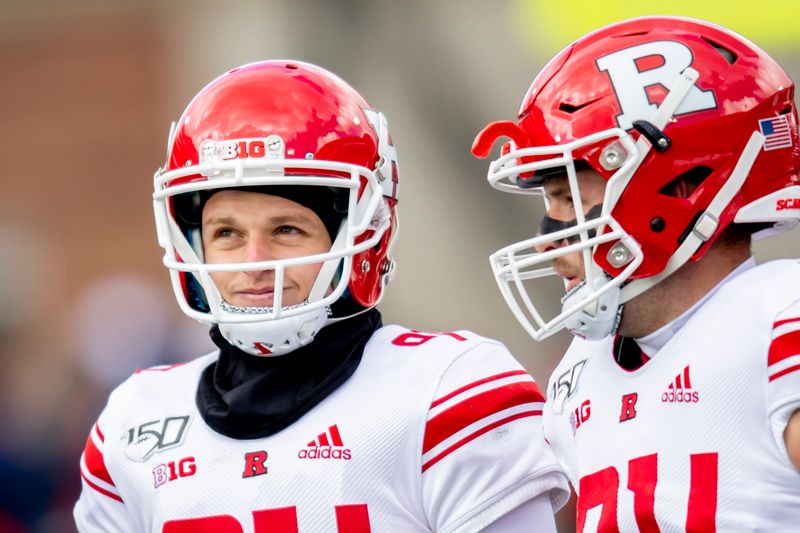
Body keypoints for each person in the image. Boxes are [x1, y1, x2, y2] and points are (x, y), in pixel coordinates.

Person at [74, 60, 568, 532]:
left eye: (287, 229)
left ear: (361, 236)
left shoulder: (448, 390)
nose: (254, 261)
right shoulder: (135, 422)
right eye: (226, 233)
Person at [472, 16, 800, 531]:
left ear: (678, 187)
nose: (550, 232)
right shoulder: (574, 379)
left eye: (568, 196)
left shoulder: (781, 320)